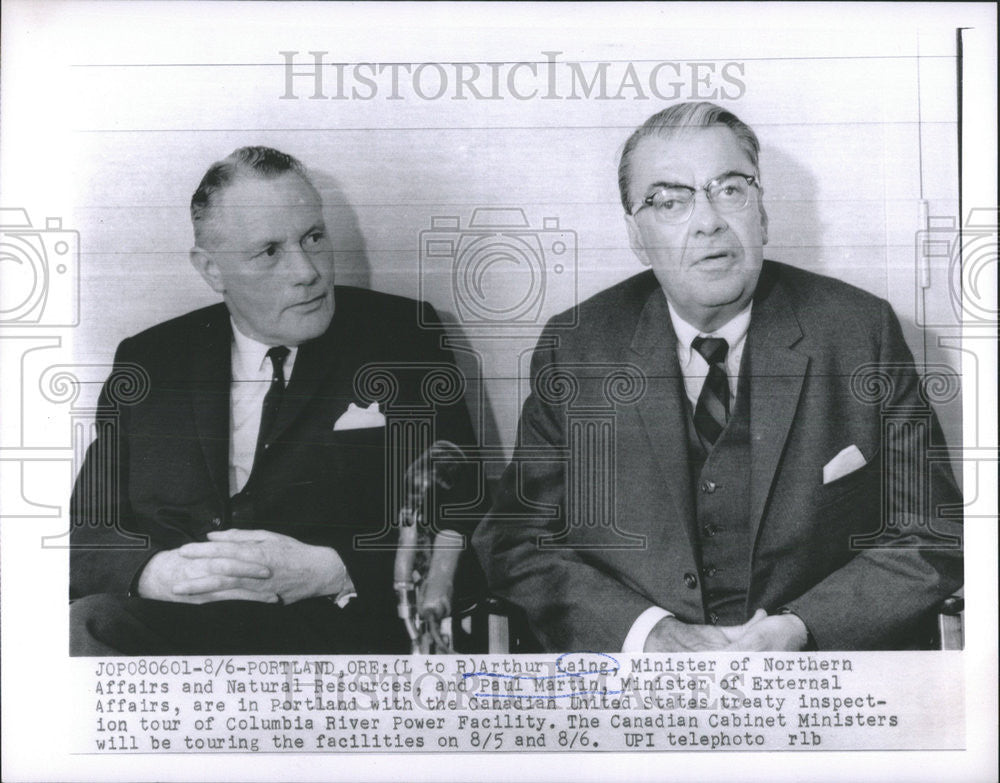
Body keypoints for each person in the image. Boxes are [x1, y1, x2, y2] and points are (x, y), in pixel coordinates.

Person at [473, 102, 963, 652]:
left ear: (762, 213)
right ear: (637, 236)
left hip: (818, 683)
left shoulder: (859, 332)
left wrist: (804, 627)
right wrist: (645, 633)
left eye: (730, 189)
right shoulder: (577, 347)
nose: (708, 220)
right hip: (637, 691)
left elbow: (934, 534)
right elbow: (516, 541)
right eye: (670, 201)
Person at [70, 146, 481, 655]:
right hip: (175, 633)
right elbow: (89, 531)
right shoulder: (151, 361)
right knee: (86, 626)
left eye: (313, 237)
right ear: (212, 270)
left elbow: (463, 523)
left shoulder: (402, 339)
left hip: (336, 640)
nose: (306, 270)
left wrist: (331, 570)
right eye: (269, 252)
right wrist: (156, 574)